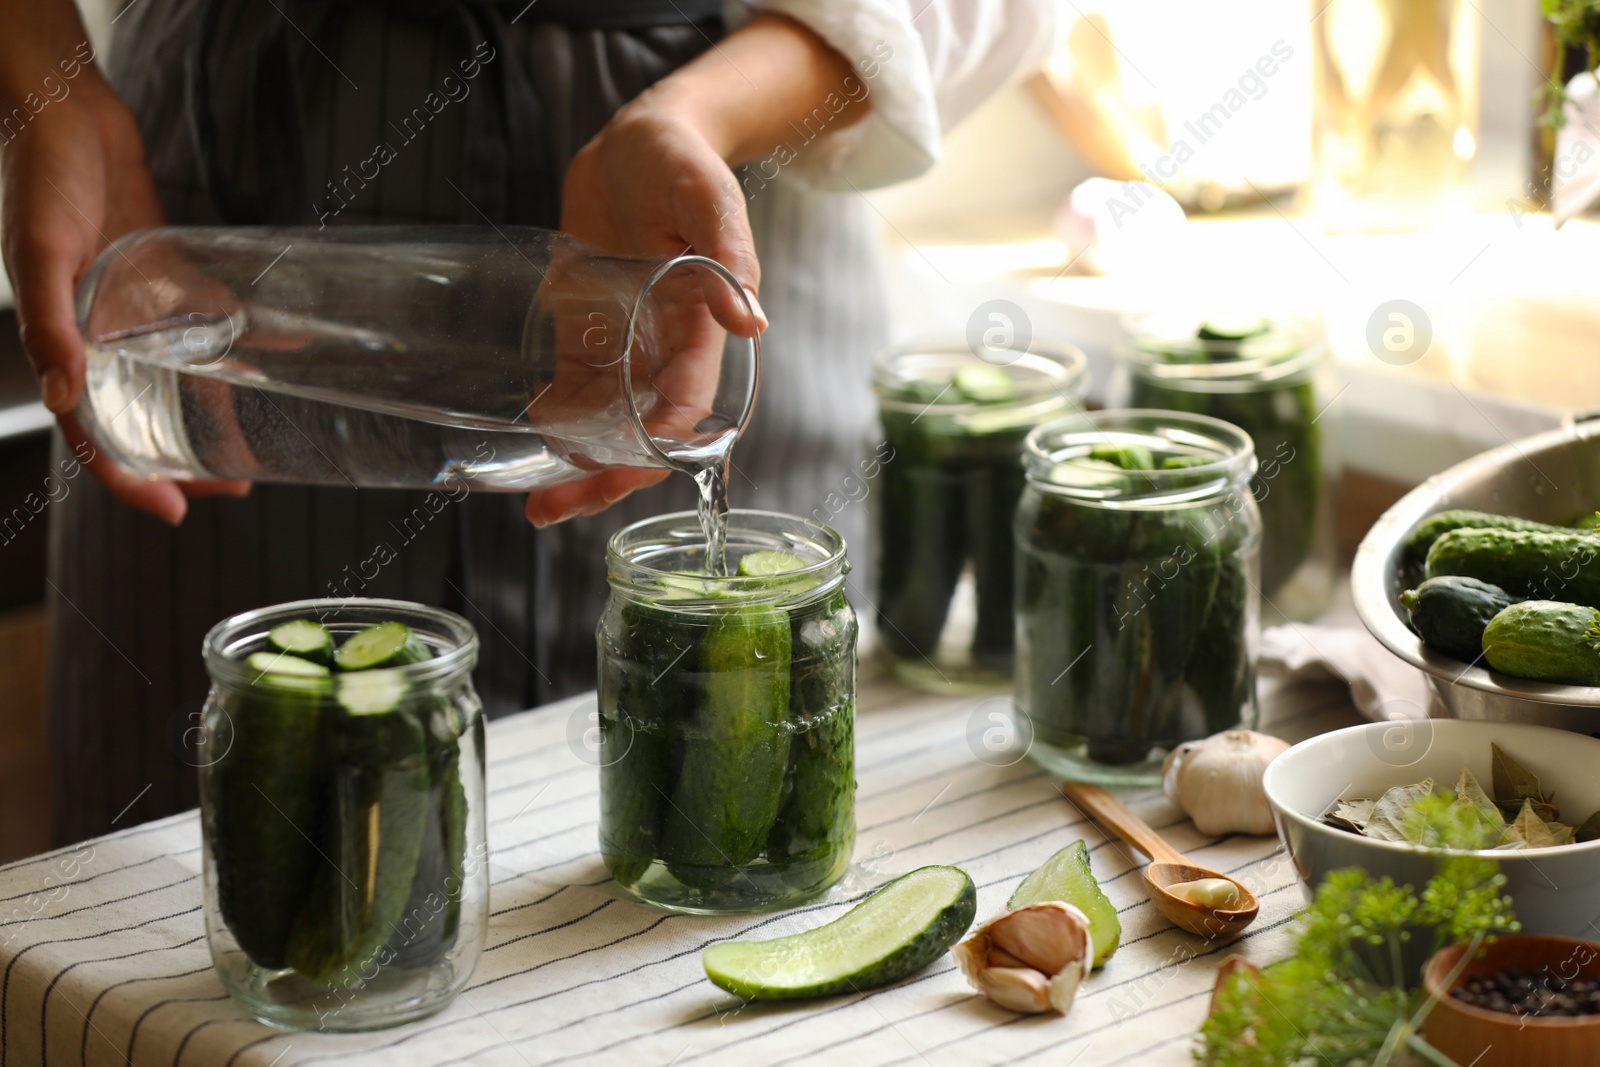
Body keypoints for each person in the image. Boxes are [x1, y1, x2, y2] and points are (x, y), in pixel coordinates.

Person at [0, 0, 1051, 844]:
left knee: (729, 859)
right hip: (226, 203)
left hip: (707, 211)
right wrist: (47, 92)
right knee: (222, 925)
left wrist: (704, 114)